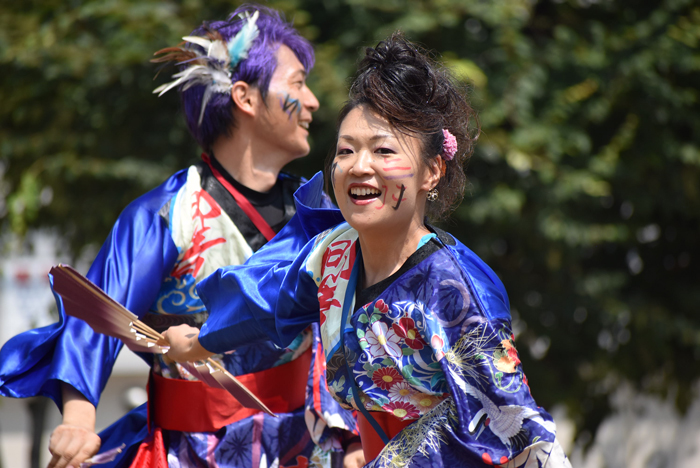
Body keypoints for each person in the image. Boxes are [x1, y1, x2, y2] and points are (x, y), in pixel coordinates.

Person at [163, 33, 573, 467]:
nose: (359, 166)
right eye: (346, 150)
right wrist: (200, 340)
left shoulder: (455, 288)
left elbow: (512, 429)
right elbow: (267, 301)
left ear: (431, 171)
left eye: (383, 150)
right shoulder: (332, 255)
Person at [0, 5, 363, 468]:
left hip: (303, 446)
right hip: (190, 450)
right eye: (297, 84)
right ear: (245, 97)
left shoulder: (318, 215)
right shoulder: (168, 214)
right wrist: (78, 419)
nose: (312, 101)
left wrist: (352, 435)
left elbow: (344, 334)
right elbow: (95, 315)